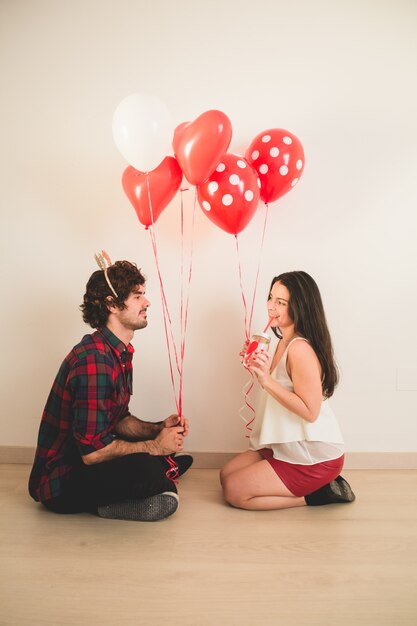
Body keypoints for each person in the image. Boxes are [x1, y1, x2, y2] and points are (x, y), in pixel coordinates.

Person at [29, 255, 193, 521]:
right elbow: (93, 453)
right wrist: (154, 446)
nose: (147, 302)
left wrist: (158, 428)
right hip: (61, 483)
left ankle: (161, 463)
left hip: (87, 454)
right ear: (112, 304)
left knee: (156, 450)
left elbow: (118, 420)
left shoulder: (118, 352)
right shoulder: (94, 360)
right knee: (149, 471)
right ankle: (135, 487)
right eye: (137, 296)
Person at [220, 271, 355, 511]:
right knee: (226, 474)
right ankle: (312, 488)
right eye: (271, 298)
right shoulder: (282, 341)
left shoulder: (299, 349)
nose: (271, 307)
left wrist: (266, 381)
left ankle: (320, 494)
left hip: (313, 455)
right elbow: (279, 389)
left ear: (300, 308)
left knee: (235, 492)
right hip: (286, 442)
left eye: (281, 303)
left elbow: (310, 412)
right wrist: (258, 369)